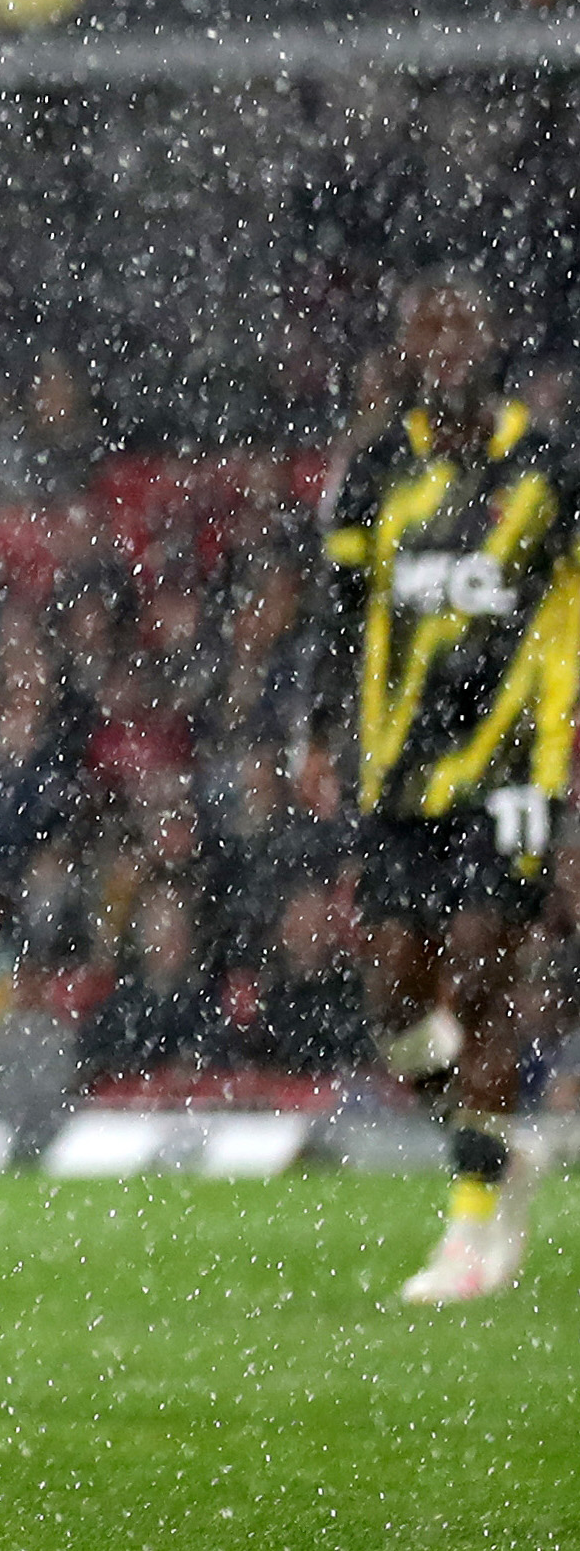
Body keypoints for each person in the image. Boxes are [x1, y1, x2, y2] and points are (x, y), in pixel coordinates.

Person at [312, 277, 575, 1305]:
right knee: (395, 999)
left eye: (463, 329)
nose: (448, 349)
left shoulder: (548, 469)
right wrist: (309, 727)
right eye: (428, 332)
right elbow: (334, 617)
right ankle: (494, 1146)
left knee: (480, 979)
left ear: (496, 340)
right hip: (396, 776)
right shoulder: (376, 468)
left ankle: (470, 1232)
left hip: (512, 772)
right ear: (406, 352)